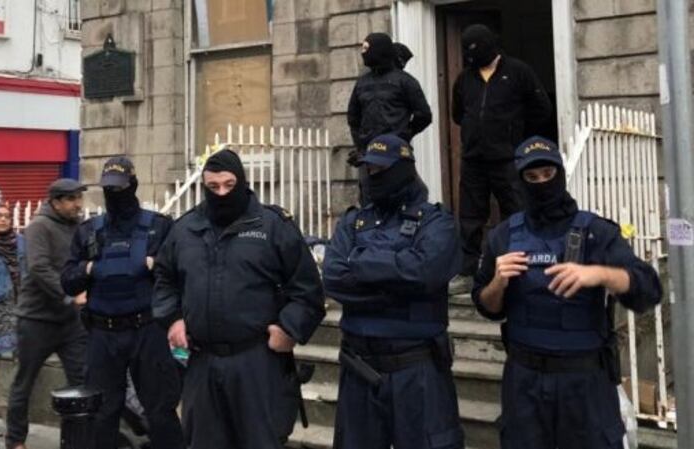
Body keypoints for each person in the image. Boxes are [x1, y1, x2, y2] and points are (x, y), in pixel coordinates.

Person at [472, 136, 662, 449]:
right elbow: (487, 306)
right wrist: (498, 282)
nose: (541, 183)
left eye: (548, 174)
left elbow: (648, 289)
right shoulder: (504, 235)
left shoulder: (595, 232)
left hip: (584, 383)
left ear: (560, 174)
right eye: (531, 178)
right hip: (524, 385)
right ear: (519, 182)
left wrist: (599, 273)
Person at [154, 149, 325, 449]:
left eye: (229, 185)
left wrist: (290, 328)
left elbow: (307, 288)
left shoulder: (273, 226)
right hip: (202, 363)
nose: (221, 193)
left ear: (242, 182)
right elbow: (164, 279)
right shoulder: (185, 229)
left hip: (257, 361)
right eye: (213, 187)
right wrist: (173, 319)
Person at [323, 134, 465, 449]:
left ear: (402, 169)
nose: (370, 178)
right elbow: (333, 277)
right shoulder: (353, 223)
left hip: (417, 370)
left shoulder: (436, 221)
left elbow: (426, 273)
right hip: (360, 368)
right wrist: (399, 282)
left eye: (378, 171)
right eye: (367, 170)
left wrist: (360, 264)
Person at [61, 157, 183, 449]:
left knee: (160, 411)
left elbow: (181, 275)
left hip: (147, 330)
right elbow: (67, 280)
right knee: (102, 413)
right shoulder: (90, 231)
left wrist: (155, 265)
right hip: (103, 332)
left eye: (119, 188)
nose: (114, 194)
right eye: (108, 188)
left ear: (133, 186)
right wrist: (89, 269)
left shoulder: (158, 227)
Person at [450, 24, 553, 293]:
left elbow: (541, 109)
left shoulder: (518, 72)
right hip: (473, 159)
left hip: (508, 158)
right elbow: (458, 114)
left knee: (516, 211)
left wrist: (517, 138)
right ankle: (467, 271)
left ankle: (518, 268)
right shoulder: (465, 78)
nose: (472, 57)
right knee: (470, 216)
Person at [6, 179, 88, 449]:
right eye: (72, 199)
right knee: (24, 382)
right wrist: (67, 295)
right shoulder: (39, 226)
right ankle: (15, 440)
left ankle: (77, 440)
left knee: (82, 381)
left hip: (70, 321)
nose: (78, 204)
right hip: (36, 320)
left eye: (79, 197)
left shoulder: (77, 227)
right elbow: (39, 268)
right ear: (55, 201)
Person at [347, 32, 431, 166]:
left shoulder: (405, 81)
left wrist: (403, 135)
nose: (363, 53)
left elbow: (424, 115)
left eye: (366, 48)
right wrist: (361, 146)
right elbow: (353, 118)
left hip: (396, 155)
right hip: (369, 156)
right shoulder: (362, 83)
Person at [0, 203, 24, 357]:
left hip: (16, 304)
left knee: (13, 352)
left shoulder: (20, 242)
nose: (3, 220)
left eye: (7, 216)